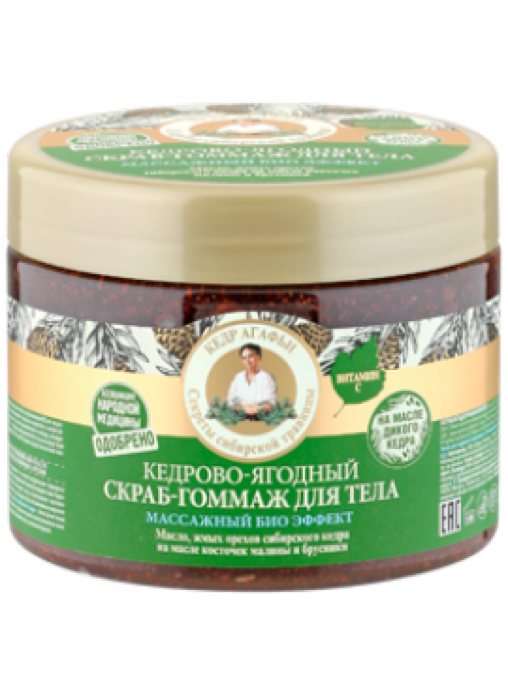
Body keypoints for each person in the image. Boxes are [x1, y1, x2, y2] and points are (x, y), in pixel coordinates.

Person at [227, 344, 276, 420]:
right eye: (244, 358)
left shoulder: (266, 377)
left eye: (250, 357)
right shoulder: (238, 377)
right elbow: (232, 401)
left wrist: (250, 410)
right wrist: (246, 410)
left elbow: (269, 404)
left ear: (258, 357)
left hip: (260, 419)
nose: (247, 361)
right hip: (240, 418)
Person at [217, 118, 281, 135]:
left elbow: (277, 128)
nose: (245, 122)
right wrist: (228, 132)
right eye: (243, 121)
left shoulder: (260, 126)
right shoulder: (235, 127)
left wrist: (271, 131)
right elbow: (220, 130)